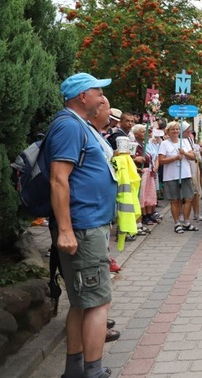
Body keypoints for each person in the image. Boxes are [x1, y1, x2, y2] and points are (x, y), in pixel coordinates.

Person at [47, 73, 117, 378]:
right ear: (81, 96)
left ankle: (76, 370)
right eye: (97, 91)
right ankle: (93, 371)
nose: (102, 98)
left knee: (82, 302)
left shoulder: (76, 125)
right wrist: (65, 230)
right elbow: (58, 179)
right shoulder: (68, 126)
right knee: (97, 302)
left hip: (88, 225)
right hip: (83, 227)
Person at [158, 121, 198, 234]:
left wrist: (184, 153)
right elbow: (161, 160)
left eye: (177, 129)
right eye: (173, 129)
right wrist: (175, 158)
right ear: (168, 131)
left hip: (185, 174)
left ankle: (186, 222)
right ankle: (176, 223)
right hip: (171, 176)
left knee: (188, 198)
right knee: (175, 200)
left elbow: (193, 156)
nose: (175, 131)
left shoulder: (184, 142)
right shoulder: (164, 144)